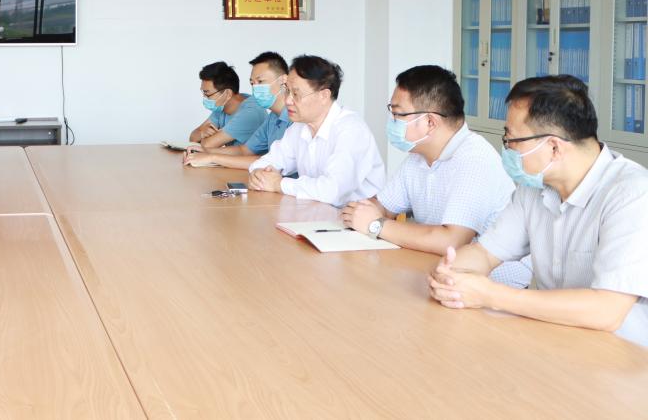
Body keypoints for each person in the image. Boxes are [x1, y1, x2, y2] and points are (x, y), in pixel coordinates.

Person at [429, 75, 648, 346]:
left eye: (512, 140)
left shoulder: (632, 196)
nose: (507, 149)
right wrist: (453, 275)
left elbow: (607, 311)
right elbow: (485, 253)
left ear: (553, 147)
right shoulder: (533, 187)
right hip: (555, 341)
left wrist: (490, 295)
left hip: (622, 355)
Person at [341, 65, 530, 287]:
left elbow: (451, 240)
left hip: (493, 288)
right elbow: (383, 206)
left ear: (430, 122)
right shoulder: (418, 157)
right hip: (437, 272)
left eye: (398, 114)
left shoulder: (475, 159)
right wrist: (364, 212)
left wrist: (376, 225)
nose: (392, 121)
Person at [248, 55, 385, 204]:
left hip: (356, 215)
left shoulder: (351, 130)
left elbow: (332, 191)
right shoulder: (299, 127)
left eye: (296, 94)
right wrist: (259, 175)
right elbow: (266, 162)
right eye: (287, 91)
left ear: (324, 95)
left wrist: (278, 184)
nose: (287, 100)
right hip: (317, 211)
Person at [184, 51, 291, 169]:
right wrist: (205, 152)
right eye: (252, 83)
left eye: (260, 81)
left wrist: (212, 156)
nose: (255, 88)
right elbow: (244, 150)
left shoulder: (296, 118)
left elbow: (271, 161)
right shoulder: (273, 118)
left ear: (283, 80)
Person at [188, 61, 267, 148]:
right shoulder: (222, 107)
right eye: (203, 92)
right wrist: (202, 133)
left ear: (227, 93)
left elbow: (207, 145)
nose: (204, 97)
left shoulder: (250, 112)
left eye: (207, 93)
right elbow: (193, 137)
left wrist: (204, 138)